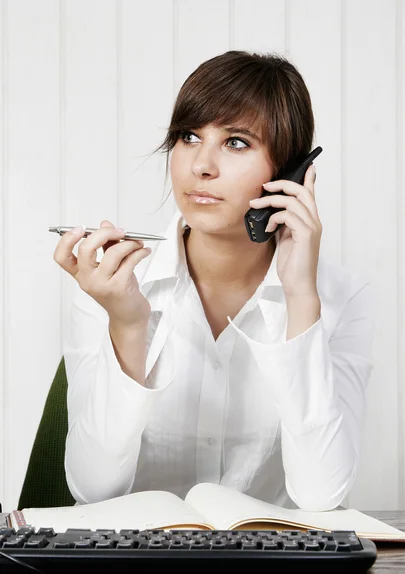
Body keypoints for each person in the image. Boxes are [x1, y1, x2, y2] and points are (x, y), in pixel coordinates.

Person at [53, 50, 375, 510]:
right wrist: (126, 325)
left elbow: (322, 495)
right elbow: (91, 490)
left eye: (237, 142)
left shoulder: (342, 296)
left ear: (291, 173)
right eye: (188, 137)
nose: (201, 165)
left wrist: (302, 299)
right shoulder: (113, 282)